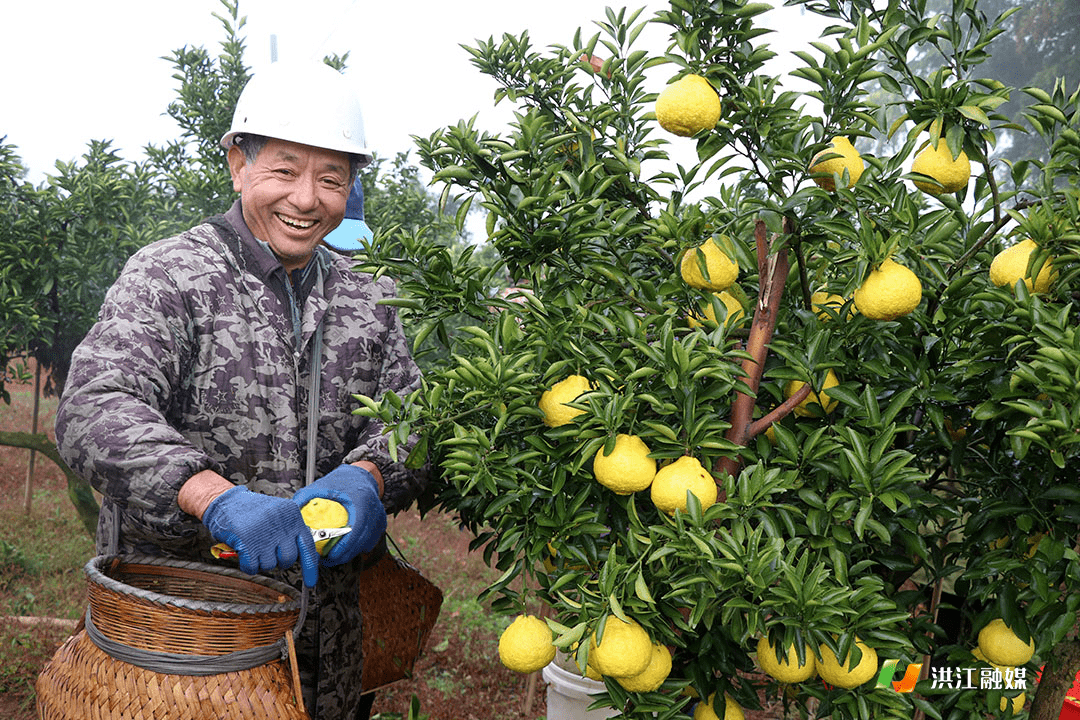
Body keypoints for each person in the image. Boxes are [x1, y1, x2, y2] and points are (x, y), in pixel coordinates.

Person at [55, 60, 428, 720]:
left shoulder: (369, 295)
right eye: (285, 171)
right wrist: (216, 500)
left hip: (323, 661)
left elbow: (414, 414)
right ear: (239, 164)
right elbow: (94, 405)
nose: (308, 199)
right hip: (183, 654)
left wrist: (371, 475)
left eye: (332, 179)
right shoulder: (173, 275)